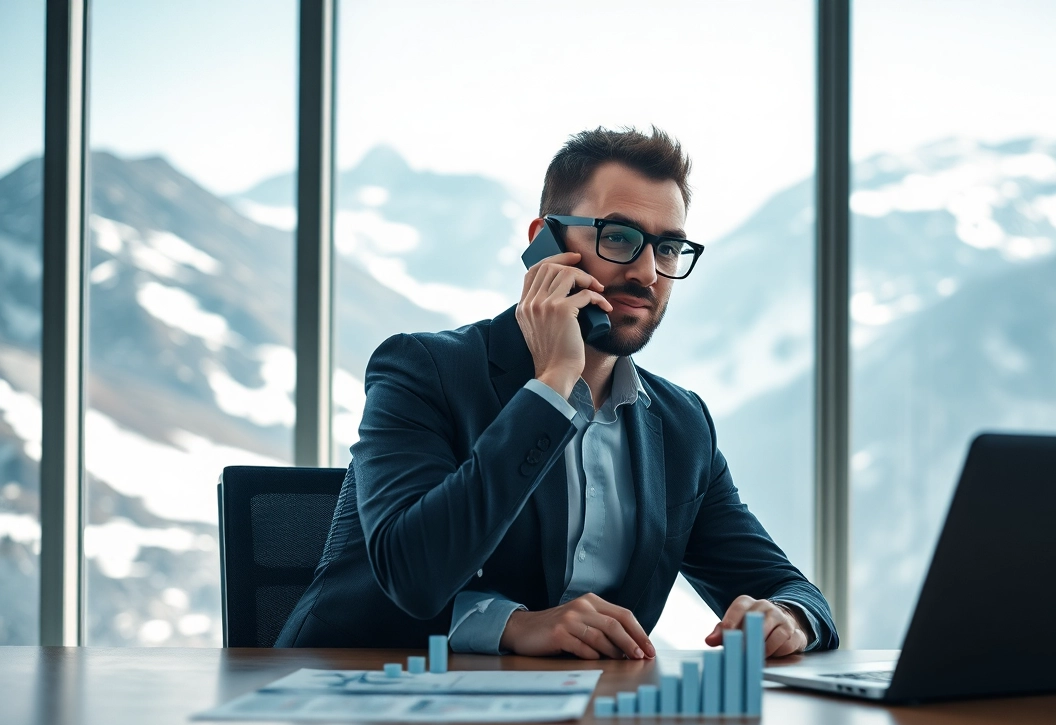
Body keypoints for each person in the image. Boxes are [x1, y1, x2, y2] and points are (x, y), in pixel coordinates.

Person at [276, 127, 838, 658]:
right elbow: (412, 574)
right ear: (543, 241)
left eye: (668, 249)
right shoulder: (423, 371)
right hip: (361, 711)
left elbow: (791, 589)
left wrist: (788, 617)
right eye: (619, 238)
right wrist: (552, 385)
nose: (647, 272)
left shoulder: (680, 423)